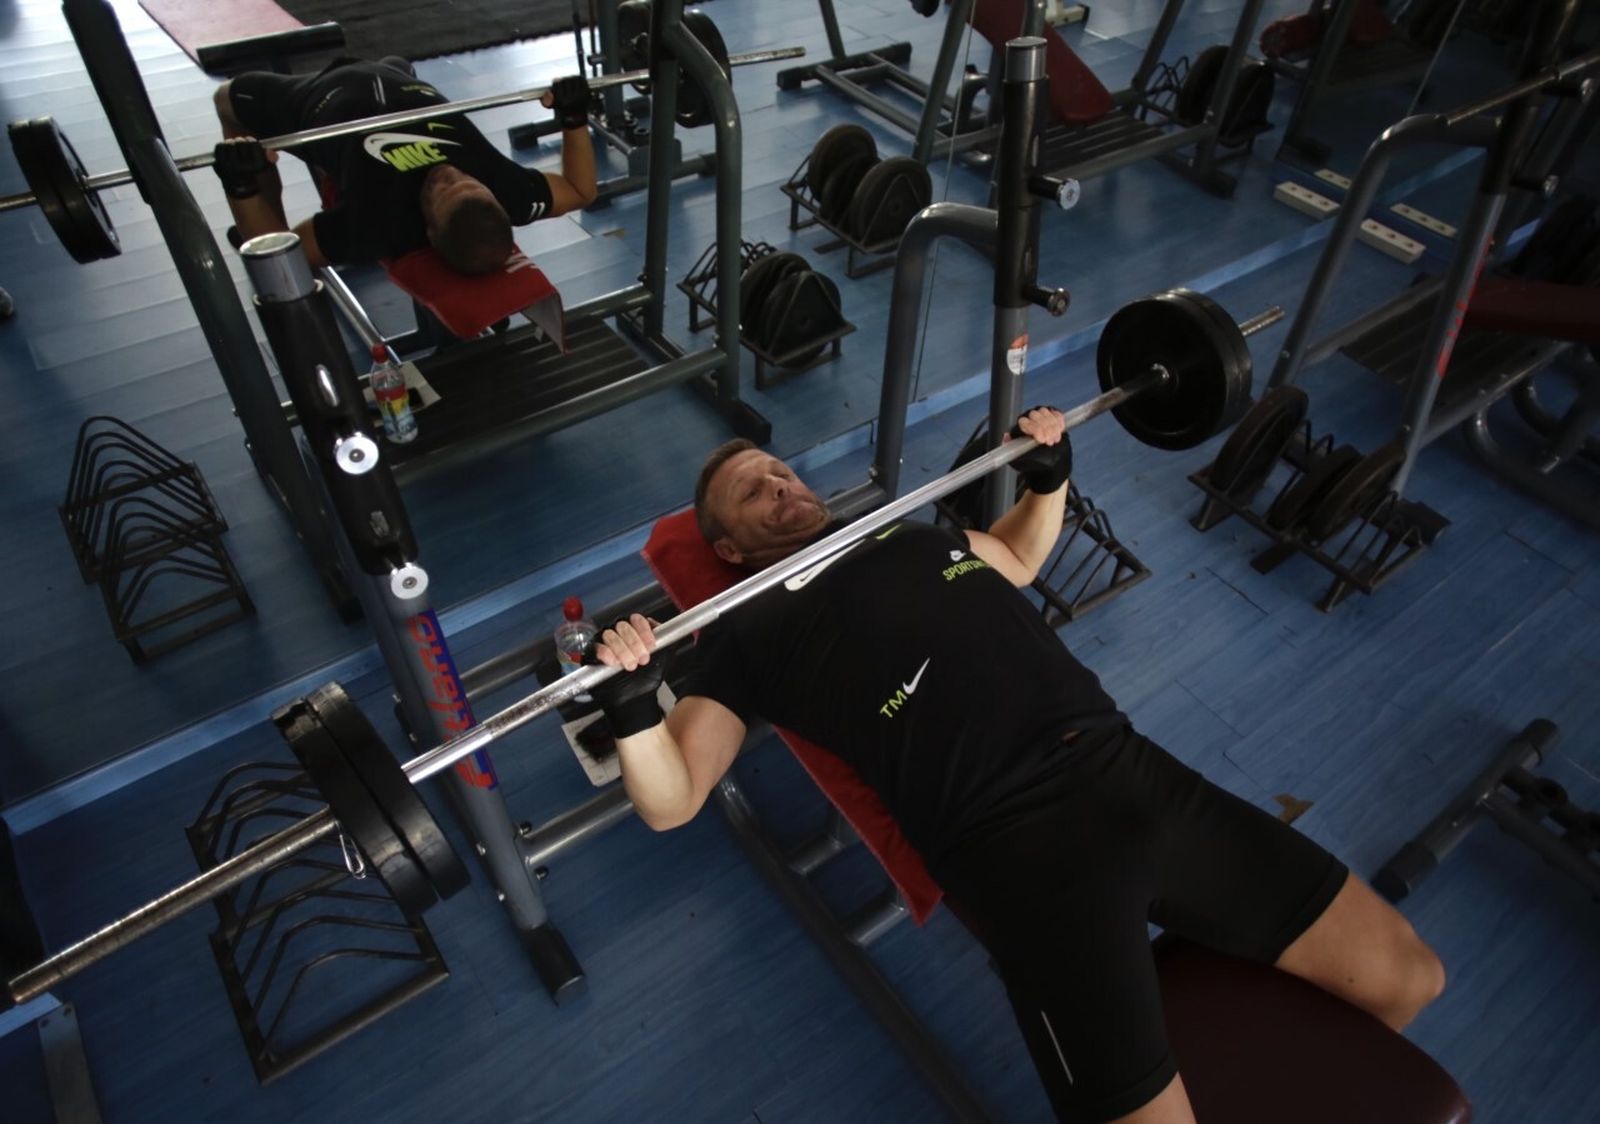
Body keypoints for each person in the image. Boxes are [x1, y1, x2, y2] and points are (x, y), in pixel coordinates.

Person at [586, 408, 1448, 1124]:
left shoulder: (909, 535)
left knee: (1409, 976)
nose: (781, 486)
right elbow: (675, 799)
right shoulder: (746, 630)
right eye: (752, 491)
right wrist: (631, 711)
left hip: (1128, 772)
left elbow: (1021, 556)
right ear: (728, 549)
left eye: (782, 472)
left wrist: (1049, 477)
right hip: (1019, 857)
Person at [210, 57, 597, 273]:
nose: (449, 174)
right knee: (398, 62)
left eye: (443, 191)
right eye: (469, 182)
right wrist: (574, 116)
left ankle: (258, 208)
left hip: (312, 98)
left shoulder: (378, 224)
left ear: (428, 229)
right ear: (495, 200)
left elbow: (282, 259)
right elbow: (582, 191)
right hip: (396, 74)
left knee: (226, 98)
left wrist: (241, 187)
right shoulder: (509, 191)